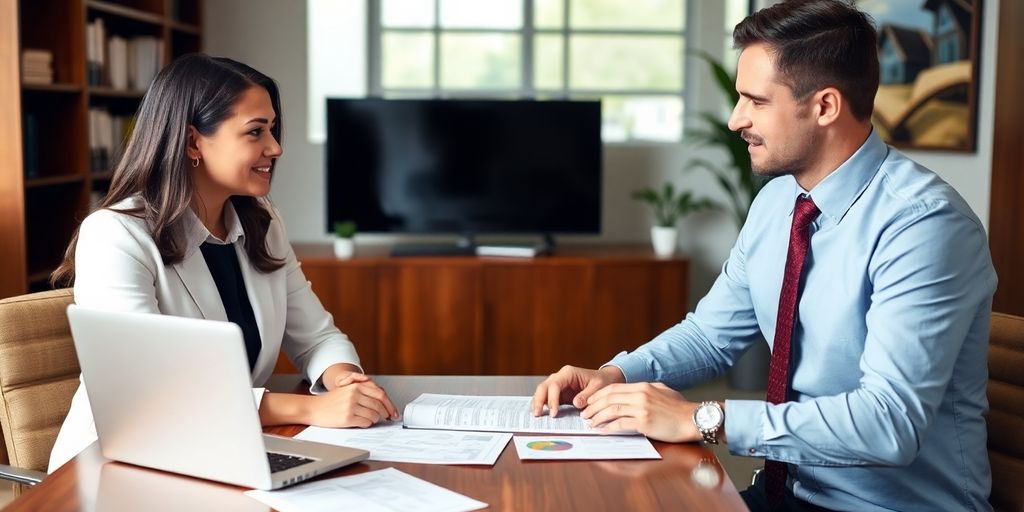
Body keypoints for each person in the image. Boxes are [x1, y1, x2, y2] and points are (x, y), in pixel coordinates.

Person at [532, 1, 997, 511]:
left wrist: (701, 419)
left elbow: (890, 423)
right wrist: (617, 375)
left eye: (755, 101)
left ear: (824, 106)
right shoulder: (779, 201)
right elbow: (711, 336)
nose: (736, 119)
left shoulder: (924, 227)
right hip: (790, 494)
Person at [48, 54, 399, 472]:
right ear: (193, 142)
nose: (275, 147)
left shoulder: (262, 224)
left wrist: (344, 380)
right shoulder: (115, 235)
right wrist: (311, 409)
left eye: (272, 129)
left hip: (220, 451)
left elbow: (317, 338)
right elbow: (151, 393)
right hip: (118, 462)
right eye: (255, 131)